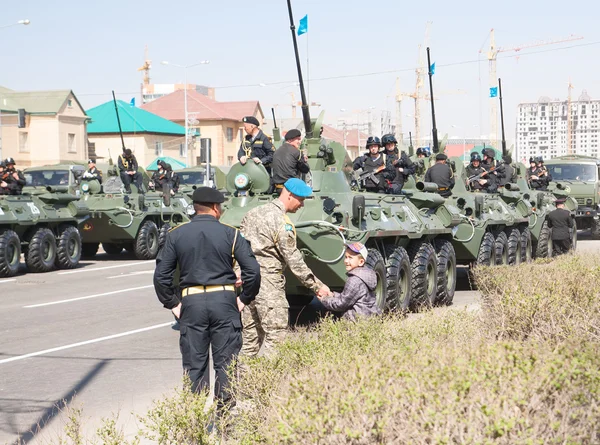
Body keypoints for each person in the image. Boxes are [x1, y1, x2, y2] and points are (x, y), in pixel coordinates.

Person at [153, 186, 261, 411]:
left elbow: (161, 276)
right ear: (215, 208)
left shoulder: (176, 234)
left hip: (191, 303)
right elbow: (253, 270)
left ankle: (194, 424)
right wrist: (245, 299)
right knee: (226, 365)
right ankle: (224, 423)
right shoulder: (231, 233)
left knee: (195, 367)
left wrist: (173, 304)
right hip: (224, 301)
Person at [239, 178, 331, 357]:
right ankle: (270, 382)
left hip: (248, 285)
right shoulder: (282, 222)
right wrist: (317, 287)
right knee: (276, 339)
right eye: (300, 200)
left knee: (249, 344)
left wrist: (238, 272)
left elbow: (239, 247)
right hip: (269, 286)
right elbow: (293, 259)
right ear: (289, 195)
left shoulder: (252, 214)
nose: (301, 205)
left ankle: (244, 383)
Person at [318, 242, 380, 321]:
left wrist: (324, 299)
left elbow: (341, 304)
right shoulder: (365, 275)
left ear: (361, 262)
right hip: (368, 318)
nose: (346, 261)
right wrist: (333, 295)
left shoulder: (354, 280)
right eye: (346, 257)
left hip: (356, 321)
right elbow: (349, 296)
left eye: (350, 258)